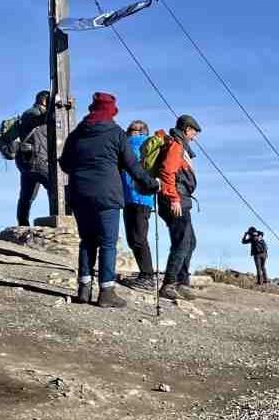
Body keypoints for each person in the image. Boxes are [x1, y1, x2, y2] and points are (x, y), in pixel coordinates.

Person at [59, 92, 157, 308]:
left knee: (87, 241)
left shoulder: (76, 134)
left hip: (80, 194)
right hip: (107, 195)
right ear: (112, 111)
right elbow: (133, 167)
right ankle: (106, 292)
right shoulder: (116, 133)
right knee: (107, 243)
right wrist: (151, 184)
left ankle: (83, 290)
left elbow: (64, 163)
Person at [154, 114, 202, 300]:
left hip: (181, 199)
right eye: (193, 133)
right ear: (187, 129)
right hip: (175, 199)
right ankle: (169, 283)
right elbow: (167, 172)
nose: (194, 137)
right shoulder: (176, 146)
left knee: (190, 241)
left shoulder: (179, 145)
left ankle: (182, 282)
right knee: (182, 241)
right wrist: (173, 198)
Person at [14, 91, 73, 226]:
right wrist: (60, 105)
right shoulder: (32, 113)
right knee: (55, 186)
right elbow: (46, 117)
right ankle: (57, 218)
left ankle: (23, 224)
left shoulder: (30, 114)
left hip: (29, 160)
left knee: (27, 195)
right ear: (44, 101)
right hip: (36, 159)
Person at [119, 119, 158, 290]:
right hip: (145, 198)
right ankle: (146, 274)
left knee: (137, 238)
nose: (128, 132)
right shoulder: (152, 147)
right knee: (138, 237)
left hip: (131, 197)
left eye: (130, 130)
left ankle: (147, 276)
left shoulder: (128, 146)